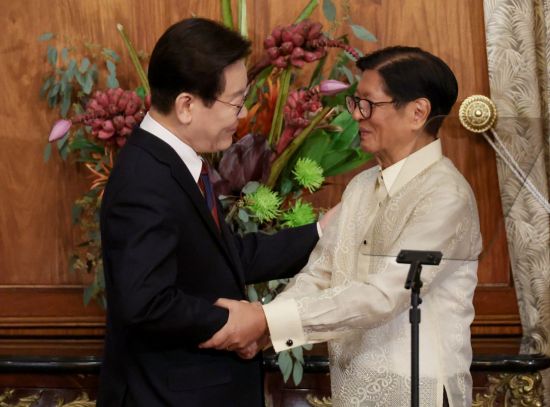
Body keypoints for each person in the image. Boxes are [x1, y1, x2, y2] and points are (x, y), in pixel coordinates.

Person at [208, 46, 482, 406]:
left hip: (419, 392)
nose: (356, 115)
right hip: (353, 388)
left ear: (417, 112)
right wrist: (269, 328)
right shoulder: (361, 186)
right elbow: (321, 273)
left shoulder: (446, 195)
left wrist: (265, 320)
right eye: (356, 102)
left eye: (368, 104)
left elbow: (385, 295)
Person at [97, 17, 333, 407]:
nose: (242, 115)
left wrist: (320, 233)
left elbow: (225, 258)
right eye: (236, 102)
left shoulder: (174, 164)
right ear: (187, 105)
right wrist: (234, 323)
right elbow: (145, 302)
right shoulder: (145, 178)